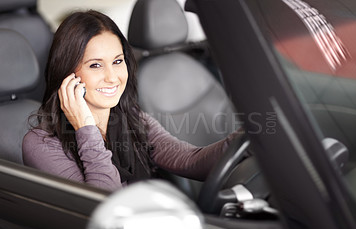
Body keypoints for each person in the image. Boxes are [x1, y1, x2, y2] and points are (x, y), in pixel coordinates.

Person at [22, 10, 238, 192]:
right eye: (95, 65)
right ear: (67, 73)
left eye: (117, 61)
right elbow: (104, 207)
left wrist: (247, 140)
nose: (112, 77)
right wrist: (86, 128)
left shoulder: (132, 118)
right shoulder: (41, 144)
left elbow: (189, 160)